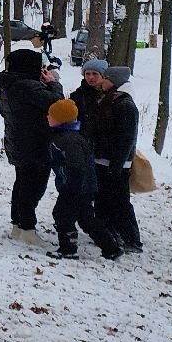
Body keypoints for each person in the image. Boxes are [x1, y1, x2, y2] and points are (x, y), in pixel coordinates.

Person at [0, 48, 65, 244]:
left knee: (22, 182)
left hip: (18, 140)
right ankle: (27, 228)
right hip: (34, 142)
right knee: (33, 185)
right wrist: (54, 83)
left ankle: (18, 225)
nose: (43, 70)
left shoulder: (10, 83)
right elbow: (57, 104)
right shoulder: (27, 86)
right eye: (40, 66)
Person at [73, 59, 142, 252]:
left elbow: (126, 138)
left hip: (115, 162)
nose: (100, 81)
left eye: (105, 78)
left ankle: (131, 238)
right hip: (102, 159)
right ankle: (109, 232)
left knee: (120, 201)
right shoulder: (108, 99)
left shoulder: (124, 104)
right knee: (103, 199)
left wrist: (117, 164)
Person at [47, 99, 122, 259]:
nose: (48, 117)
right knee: (86, 219)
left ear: (61, 120)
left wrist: (71, 187)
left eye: (51, 115)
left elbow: (77, 165)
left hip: (75, 187)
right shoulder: (68, 136)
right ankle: (111, 247)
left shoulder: (68, 139)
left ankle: (68, 249)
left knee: (62, 215)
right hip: (84, 187)